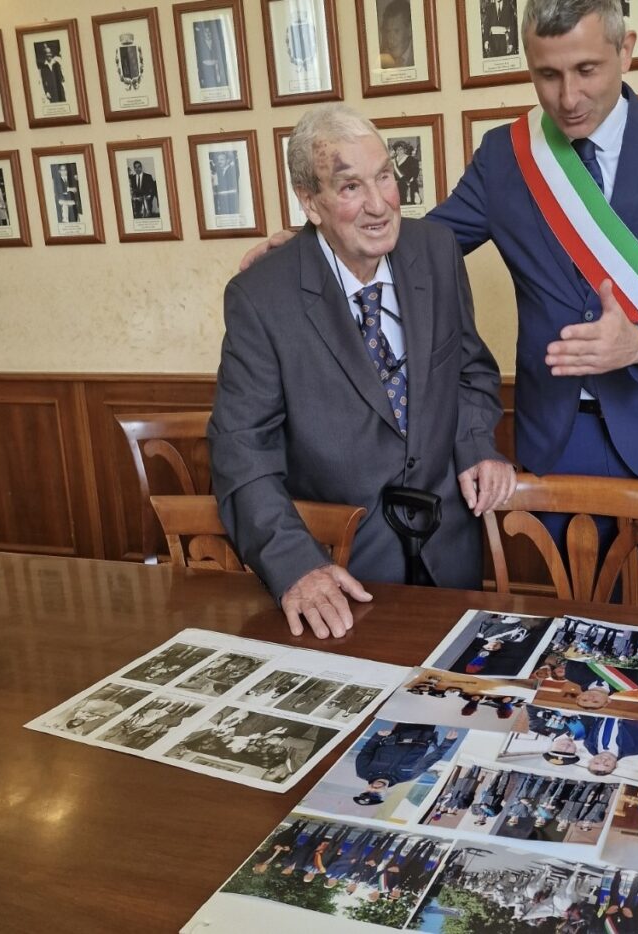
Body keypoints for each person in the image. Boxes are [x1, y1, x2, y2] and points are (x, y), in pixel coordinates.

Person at [241, 0, 638, 615]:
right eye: (547, 75)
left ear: (626, 49)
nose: (567, 97)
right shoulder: (508, 155)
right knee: (575, 634)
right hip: (558, 435)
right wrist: (317, 238)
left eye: (586, 70)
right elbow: (419, 241)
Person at [209, 104, 515, 639]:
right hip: (342, 576)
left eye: (385, 176)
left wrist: (476, 445)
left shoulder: (437, 250)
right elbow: (242, 452)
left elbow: (469, 370)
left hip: (452, 555)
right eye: (349, 187)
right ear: (310, 202)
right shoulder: (261, 297)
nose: (379, 205)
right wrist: (296, 566)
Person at [353, 723, 459, 804]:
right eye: (376, 794)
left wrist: (377, 736)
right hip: (423, 734)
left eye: (368, 792)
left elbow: (367, 750)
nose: (373, 789)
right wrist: (447, 742)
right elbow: (432, 758)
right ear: (385, 794)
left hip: (399, 731)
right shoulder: (408, 776)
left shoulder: (363, 771)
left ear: (365, 789)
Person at [379, 0, 414, 68]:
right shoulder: (382, 59)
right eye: (388, 31)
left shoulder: (421, 56)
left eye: (396, 31)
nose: (390, 40)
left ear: (409, 30)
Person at [195, 21, 226, 88]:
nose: (208, 34)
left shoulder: (216, 43)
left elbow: (219, 59)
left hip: (217, 71)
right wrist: (201, 77)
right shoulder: (200, 45)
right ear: (203, 34)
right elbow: (200, 63)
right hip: (206, 72)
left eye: (209, 32)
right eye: (206, 32)